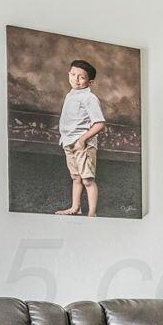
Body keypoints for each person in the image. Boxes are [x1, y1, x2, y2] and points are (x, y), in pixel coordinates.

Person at [55, 59, 106, 216]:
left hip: (83, 144)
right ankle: (75, 208)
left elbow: (99, 123)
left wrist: (82, 139)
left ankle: (92, 213)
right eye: (73, 74)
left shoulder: (89, 98)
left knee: (88, 180)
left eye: (81, 77)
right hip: (69, 142)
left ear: (90, 82)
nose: (75, 79)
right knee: (76, 178)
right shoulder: (71, 95)